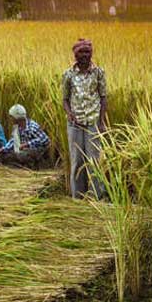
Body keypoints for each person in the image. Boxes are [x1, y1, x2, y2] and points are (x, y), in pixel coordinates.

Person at [62, 37, 107, 198]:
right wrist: (69, 114)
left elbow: (103, 97)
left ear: (91, 53)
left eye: (87, 51)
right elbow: (65, 99)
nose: (85, 55)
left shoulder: (98, 73)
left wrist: (101, 122)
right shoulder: (68, 74)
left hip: (93, 122)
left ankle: (97, 196)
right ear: (75, 54)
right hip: (75, 124)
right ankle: (78, 197)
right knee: (77, 161)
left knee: (94, 161)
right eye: (81, 52)